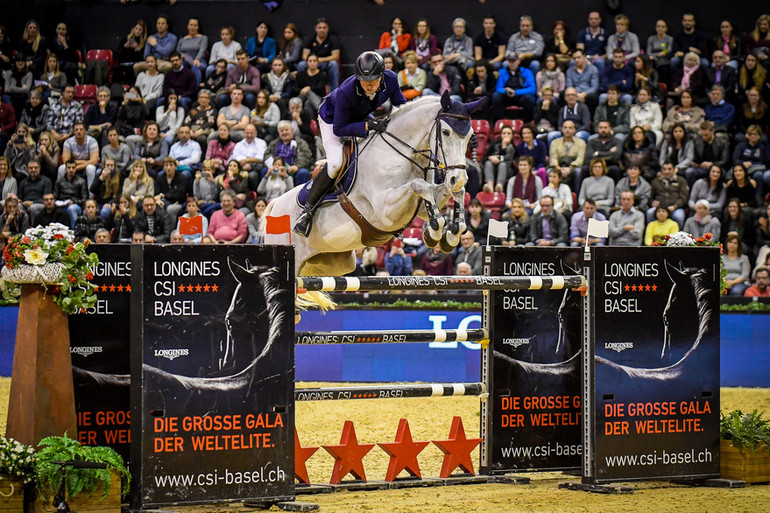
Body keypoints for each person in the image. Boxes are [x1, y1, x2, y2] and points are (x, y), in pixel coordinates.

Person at [294, 51, 406, 237]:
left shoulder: (391, 79)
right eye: (364, 81)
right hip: (332, 120)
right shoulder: (347, 90)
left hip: (360, 116)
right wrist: (368, 125)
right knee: (336, 163)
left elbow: (401, 107)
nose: (369, 85)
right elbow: (340, 128)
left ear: (382, 75)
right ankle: (307, 211)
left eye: (373, 80)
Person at [264, 120, 312, 186]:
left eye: (286, 130)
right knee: (265, 170)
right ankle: (265, 194)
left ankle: (301, 195)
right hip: (276, 169)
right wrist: (272, 166)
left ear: (291, 131)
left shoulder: (301, 143)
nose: (284, 132)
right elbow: (267, 154)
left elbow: (306, 155)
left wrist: (297, 166)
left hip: (293, 168)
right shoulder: (274, 143)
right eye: (282, 131)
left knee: (303, 172)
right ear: (279, 133)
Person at [491, 52, 536, 122]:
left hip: (520, 96)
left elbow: (532, 89)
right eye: (510, 61)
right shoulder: (502, 72)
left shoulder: (527, 72)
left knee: (529, 99)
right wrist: (506, 91)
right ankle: (498, 122)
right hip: (506, 96)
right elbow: (498, 88)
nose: (512, 63)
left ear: (518, 61)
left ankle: (528, 123)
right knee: (495, 96)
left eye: (514, 61)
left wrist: (516, 92)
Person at [299, 18, 341, 90]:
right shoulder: (310, 39)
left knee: (333, 64)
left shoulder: (333, 39)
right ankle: (301, 89)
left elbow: (335, 56)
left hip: (325, 63)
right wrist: (313, 61)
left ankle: (335, 91)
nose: (322, 30)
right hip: (312, 62)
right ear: (316, 29)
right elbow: (304, 56)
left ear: (327, 29)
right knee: (301, 64)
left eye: (324, 28)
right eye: (320, 27)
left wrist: (319, 60)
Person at [57, 121, 99, 189]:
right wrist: (84, 162)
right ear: (73, 132)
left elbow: (94, 161)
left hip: (85, 167)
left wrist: (77, 168)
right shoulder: (68, 142)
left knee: (91, 168)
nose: (79, 131)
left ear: (85, 131)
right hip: (73, 165)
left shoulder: (92, 141)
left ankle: (91, 196)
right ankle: (59, 192)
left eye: (81, 129)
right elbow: (66, 161)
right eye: (76, 130)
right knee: (61, 168)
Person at [648, 162, 689, 228]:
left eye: (669, 169)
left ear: (674, 170)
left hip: (675, 207)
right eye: (664, 169)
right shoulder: (655, 181)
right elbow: (650, 197)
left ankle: (679, 236)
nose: (667, 171)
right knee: (650, 212)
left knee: (679, 216)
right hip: (660, 208)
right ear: (661, 170)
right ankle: (652, 234)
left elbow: (684, 197)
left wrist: (675, 206)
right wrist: (652, 202)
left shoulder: (681, 180)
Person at [548, 119, 586, 190]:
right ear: (562, 129)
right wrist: (559, 169)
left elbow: (580, 159)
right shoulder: (555, 142)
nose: (567, 130)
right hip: (559, 166)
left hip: (574, 166)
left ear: (574, 130)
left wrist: (570, 168)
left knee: (578, 171)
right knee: (548, 172)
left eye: (570, 128)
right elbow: (553, 158)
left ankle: (576, 196)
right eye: (565, 128)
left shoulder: (581, 142)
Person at [733, 125, 768, 196]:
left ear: (759, 136)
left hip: (756, 168)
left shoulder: (762, 147)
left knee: (758, 175)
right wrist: (743, 163)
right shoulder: (741, 145)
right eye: (750, 134)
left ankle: (758, 197)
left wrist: (751, 164)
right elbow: (735, 159)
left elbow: (764, 162)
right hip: (742, 167)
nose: (752, 136)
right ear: (747, 136)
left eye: (755, 134)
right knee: (735, 173)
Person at [230, 123, 267, 188]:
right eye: (247, 133)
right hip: (241, 167)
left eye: (251, 133)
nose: (249, 135)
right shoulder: (239, 144)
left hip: (255, 168)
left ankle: (254, 194)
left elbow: (260, 158)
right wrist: (246, 162)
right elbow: (235, 157)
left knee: (252, 175)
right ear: (244, 133)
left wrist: (246, 161)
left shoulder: (261, 143)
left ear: (256, 133)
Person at [54, 159, 88, 228]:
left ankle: (74, 232)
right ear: (66, 169)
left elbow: (84, 199)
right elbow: (55, 196)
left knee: (71, 208)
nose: (71, 170)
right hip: (62, 204)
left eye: (73, 167)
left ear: (76, 169)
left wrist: (73, 201)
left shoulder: (81, 181)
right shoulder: (59, 181)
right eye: (69, 168)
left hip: (76, 205)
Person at [482, 125, 516, 192]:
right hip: (493, 169)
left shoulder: (513, 147)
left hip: (507, 170)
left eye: (508, 133)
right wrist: (490, 158)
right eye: (504, 133)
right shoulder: (494, 144)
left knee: (502, 164)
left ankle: (499, 186)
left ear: (512, 136)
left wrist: (504, 146)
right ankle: (490, 186)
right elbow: (484, 159)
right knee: (488, 163)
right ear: (500, 135)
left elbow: (510, 159)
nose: (506, 135)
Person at [294, 53, 329, 118]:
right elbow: (295, 88)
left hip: (317, 98)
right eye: (310, 61)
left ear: (318, 62)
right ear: (307, 63)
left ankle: (310, 123)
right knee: (306, 93)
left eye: (314, 61)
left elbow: (320, 87)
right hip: (302, 97)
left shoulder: (322, 75)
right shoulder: (301, 74)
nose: (312, 63)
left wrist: (309, 88)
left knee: (308, 103)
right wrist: (303, 90)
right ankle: (322, 111)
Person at [176, 18, 208, 86]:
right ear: (187, 26)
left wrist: (197, 59)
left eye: (195, 25)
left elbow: (202, 50)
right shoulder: (182, 39)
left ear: (198, 27)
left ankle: (196, 88)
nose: (193, 27)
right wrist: (184, 59)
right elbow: (178, 52)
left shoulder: (203, 38)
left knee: (195, 66)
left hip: (200, 61)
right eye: (191, 25)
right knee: (181, 66)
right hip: (185, 60)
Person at [155, 157, 188, 222]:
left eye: (171, 165)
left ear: (175, 167)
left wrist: (164, 195)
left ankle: (170, 231)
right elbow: (157, 193)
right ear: (164, 167)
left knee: (170, 209)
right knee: (157, 206)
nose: (168, 167)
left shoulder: (182, 178)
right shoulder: (160, 178)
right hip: (164, 201)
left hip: (179, 203)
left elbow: (179, 196)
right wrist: (158, 199)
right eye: (166, 165)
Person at [18, 160, 51, 224]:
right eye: (31, 168)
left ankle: (34, 229)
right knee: (18, 206)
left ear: (39, 169)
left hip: (39, 204)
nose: (33, 170)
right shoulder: (23, 182)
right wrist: (20, 201)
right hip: (25, 204)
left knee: (33, 207)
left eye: (35, 168)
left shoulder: (46, 181)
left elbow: (47, 199)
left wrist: (33, 202)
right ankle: (22, 229)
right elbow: (20, 196)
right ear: (27, 169)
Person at [723, 231, 751, 296]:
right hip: (724, 282)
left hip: (741, 283)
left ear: (738, 245)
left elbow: (745, 275)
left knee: (736, 291)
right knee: (720, 291)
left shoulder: (744, 258)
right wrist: (725, 282)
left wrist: (732, 283)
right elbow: (719, 273)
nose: (732, 244)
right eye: (730, 242)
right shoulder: (721, 258)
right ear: (726, 244)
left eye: (735, 243)